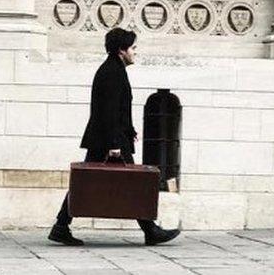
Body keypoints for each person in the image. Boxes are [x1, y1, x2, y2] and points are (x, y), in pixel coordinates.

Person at [48, 28, 181, 246]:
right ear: (122, 50)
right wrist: (114, 144)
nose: (135, 52)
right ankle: (150, 230)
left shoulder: (114, 69)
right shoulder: (112, 72)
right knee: (134, 183)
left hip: (109, 138)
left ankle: (61, 226)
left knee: (83, 181)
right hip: (110, 141)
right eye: (133, 48)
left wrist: (129, 130)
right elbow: (108, 112)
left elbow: (116, 110)